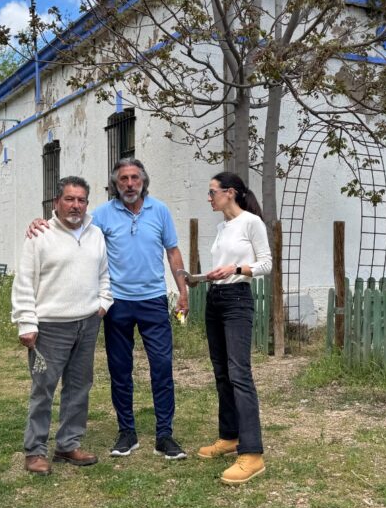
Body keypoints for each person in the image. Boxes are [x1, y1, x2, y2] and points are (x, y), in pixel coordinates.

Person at [28, 158, 190, 460]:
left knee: (162, 368)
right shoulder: (100, 215)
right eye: (123, 179)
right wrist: (40, 223)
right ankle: (127, 432)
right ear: (115, 184)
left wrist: (182, 290)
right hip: (117, 305)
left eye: (135, 178)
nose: (130, 184)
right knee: (120, 370)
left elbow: (173, 250)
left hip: (154, 301)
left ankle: (164, 435)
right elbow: (70, 226)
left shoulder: (161, 211)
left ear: (143, 180)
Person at [12, 176, 112, 476]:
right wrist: (26, 322)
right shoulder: (39, 235)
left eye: (81, 200)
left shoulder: (95, 234)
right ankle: (35, 450)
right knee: (43, 389)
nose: (76, 205)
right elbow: (24, 282)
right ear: (57, 202)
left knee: (79, 388)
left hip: (87, 323)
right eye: (70, 199)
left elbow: (104, 274)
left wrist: (103, 303)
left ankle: (68, 444)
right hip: (50, 327)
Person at [193, 171, 272, 485]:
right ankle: (229, 436)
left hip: (238, 299)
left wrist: (236, 269)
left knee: (239, 372)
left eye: (212, 191)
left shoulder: (251, 222)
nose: (208, 197)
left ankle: (252, 453)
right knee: (221, 371)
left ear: (230, 193)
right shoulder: (222, 227)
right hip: (215, 298)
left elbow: (266, 263)